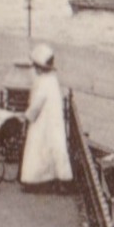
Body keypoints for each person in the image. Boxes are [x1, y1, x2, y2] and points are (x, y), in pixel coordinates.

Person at [20, 43, 72, 191]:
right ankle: (58, 179)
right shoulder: (52, 80)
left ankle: (34, 180)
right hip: (53, 120)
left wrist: (27, 116)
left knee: (37, 150)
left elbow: (37, 104)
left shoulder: (43, 82)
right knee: (53, 149)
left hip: (42, 122)